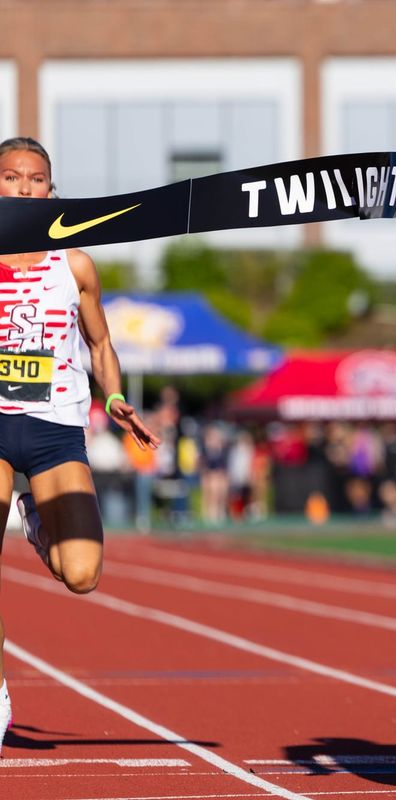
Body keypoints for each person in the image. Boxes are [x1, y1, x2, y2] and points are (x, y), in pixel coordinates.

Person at [0, 137, 159, 752]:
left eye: (35, 178)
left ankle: (36, 516)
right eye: (11, 177)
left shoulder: (75, 264)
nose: (23, 187)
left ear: (51, 190)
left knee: (83, 574)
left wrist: (114, 398)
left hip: (56, 429)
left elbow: (99, 345)